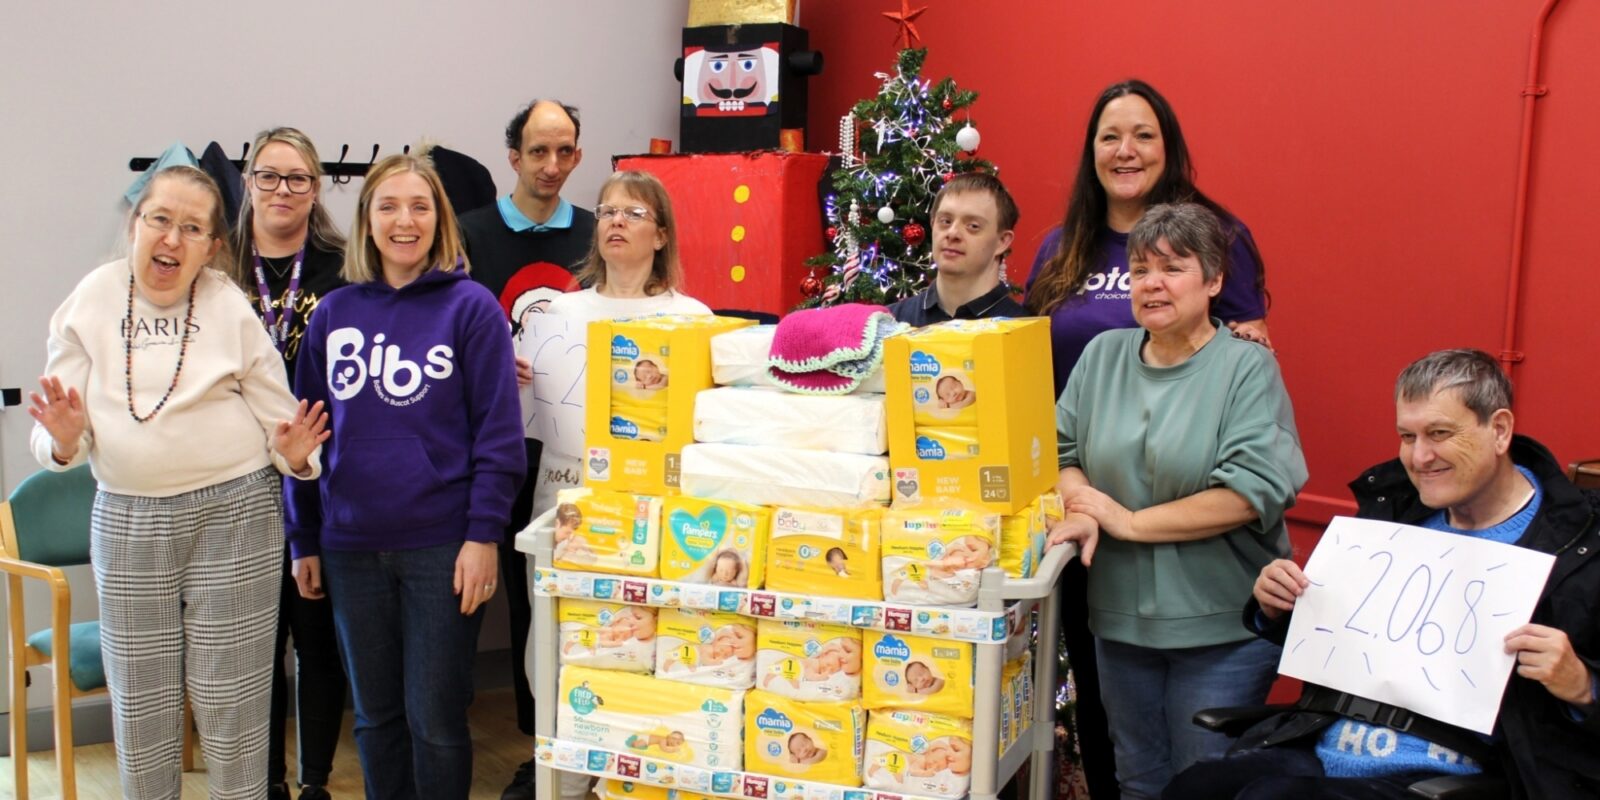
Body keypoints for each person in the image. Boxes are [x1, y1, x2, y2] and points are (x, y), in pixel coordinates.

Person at [1166, 349, 1600, 800]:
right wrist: (1281, 606)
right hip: (1328, 742)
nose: (1419, 457)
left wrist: (1583, 685)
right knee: (1195, 787)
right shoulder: (1392, 514)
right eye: (1406, 436)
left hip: (1451, 776)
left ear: (1500, 429)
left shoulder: (1580, 544)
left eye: (1439, 433)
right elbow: (1347, 640)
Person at [28, 165, 327, 799]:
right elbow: (61, 436)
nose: (172, 239)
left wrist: (297, 455)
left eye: (192, 228)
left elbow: (284, 427)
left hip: (237, 514)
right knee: (141, 702)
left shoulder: (229, 306)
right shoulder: (91, 299)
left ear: (213, 247)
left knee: (234, 699)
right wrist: (61, 437)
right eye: (160, 220)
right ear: (136, 225)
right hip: (128, 517)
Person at [1026, 80, 1274, 799]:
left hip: (1181, 511)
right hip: (1081, 504)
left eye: (1142, 135)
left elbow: (1249, 359)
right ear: (1091, 151)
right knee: (1109, 701)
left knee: (1192, 742)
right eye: (1110, 136)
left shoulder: (1217, 235)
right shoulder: (1060, 246)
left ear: (1168, 148)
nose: (1125, 150)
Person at [1046, 202, 1307, 799]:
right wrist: (1083, 502)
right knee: (1137, 782)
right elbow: (1060, 452)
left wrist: (1128, 522)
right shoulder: (1103, 356)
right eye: (1140, 269)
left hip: (1222, 631)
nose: (1151, 283)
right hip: (1119, 623)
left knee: (1202, 787)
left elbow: (1250, 491)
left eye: (1172, 268)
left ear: (1214, 280)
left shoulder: (1246, 368)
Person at [287, 153, 526, 800]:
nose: (404, 220)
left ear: (439, 220)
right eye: (388, 206)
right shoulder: (333, 315)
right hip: (349, 547)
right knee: (375, 718)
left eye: (420, 206)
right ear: (367, 221)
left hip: (443, 547)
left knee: (437, 720)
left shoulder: (471, 310)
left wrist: (483, 538)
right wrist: (303, 537)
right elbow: (303, 438)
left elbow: (500, 440)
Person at [531, 169, 715, 800]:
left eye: (633, 214)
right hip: (566, 492)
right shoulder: (558, 311)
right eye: (607, 211)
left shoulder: (691, 319)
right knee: (557, 641)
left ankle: (633, 777)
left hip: (656, 506)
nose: (614, 221)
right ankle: (564, 778)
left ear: (661, 234)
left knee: (640, 637)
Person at [457, 100, 595, 800]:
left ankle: (567, 749)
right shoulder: (473, 234)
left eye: (563, 151)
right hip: (492, 444)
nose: (550, 165)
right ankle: (521, 749)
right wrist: (483, 359)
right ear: (512, 156)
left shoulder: (599, 234)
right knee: (499, 592)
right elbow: (447, 326)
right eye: (537, 151)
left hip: (575, 450)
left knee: (559, 599)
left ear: (576, 156)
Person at [229, 126, 348, 800]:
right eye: (269, 176)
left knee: (316, 638)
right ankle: (265, 782)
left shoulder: (344, 264)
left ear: (316, 188)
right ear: (248, 183)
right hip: (236, 479)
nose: (283, 190)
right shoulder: (215, 266)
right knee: (254, 648)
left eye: (298, 178)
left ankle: (315, 784)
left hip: (322, 477)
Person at [888, 172, 1026, 325]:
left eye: (973, 226)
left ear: (1002, 241)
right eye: (945, 221)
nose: (953, 233)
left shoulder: (1025, 331)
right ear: (933, 224)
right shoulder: (891, 322)